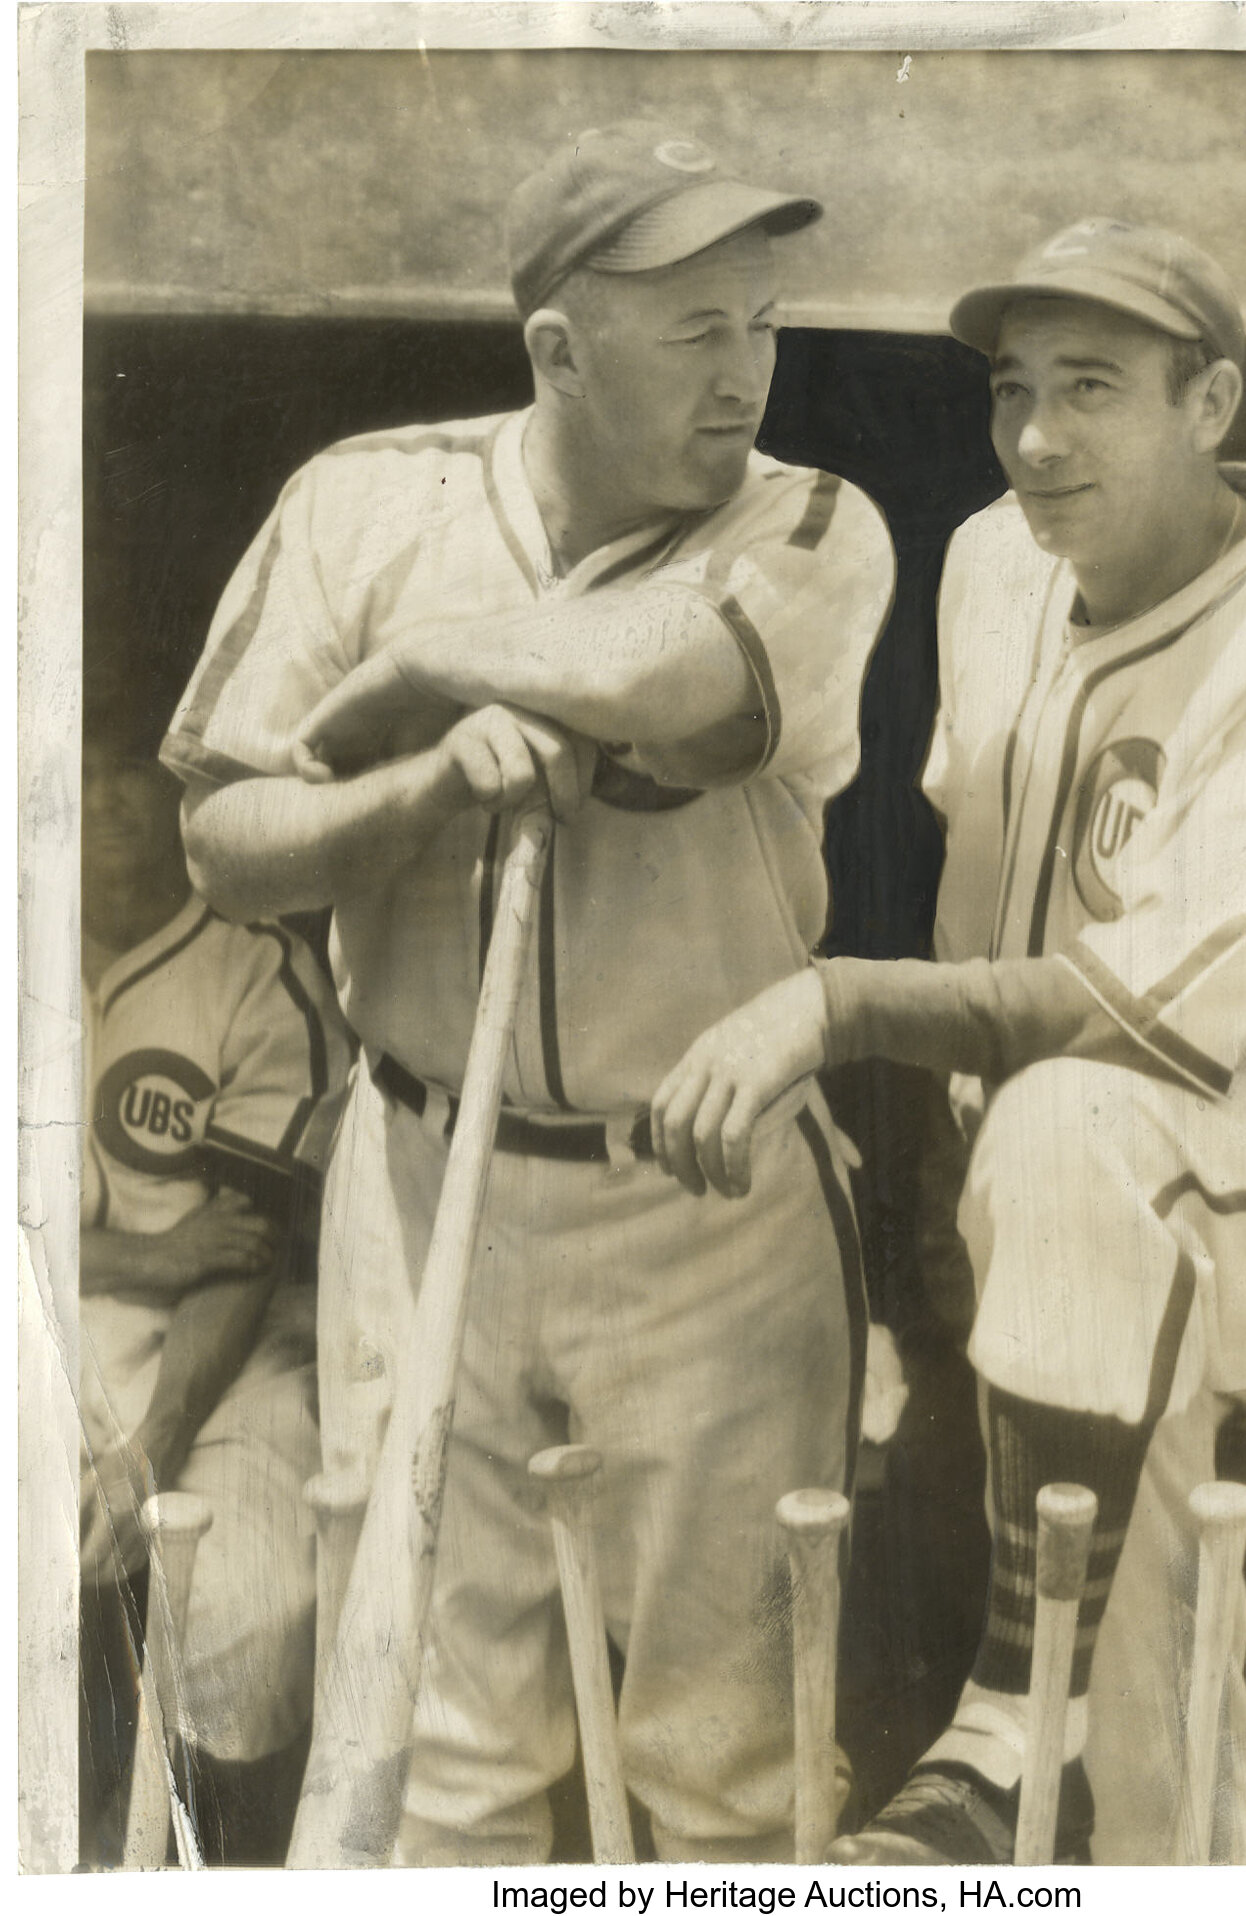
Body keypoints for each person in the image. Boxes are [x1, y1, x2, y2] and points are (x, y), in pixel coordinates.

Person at [649, 217, 1246, 1864]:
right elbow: (988, 915)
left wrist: (835, 997)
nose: (1031, 438)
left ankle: (1004, 1718)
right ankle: (1143, 1824)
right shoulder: (990, 566)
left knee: (1074, 1134)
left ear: (1210, 401)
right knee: (1139, 1596)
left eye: (1088, 388)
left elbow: (1166, 1015)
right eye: (1009, 389)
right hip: (1066, 1199)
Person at [161, 123, 896, 1865]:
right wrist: (415, 793)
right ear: (555, 350)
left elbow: (676, 680)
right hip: (423, 1194)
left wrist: (411, 670)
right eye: (695, 331)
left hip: (698, 1206)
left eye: (762, 324)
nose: (746, 376)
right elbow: (229, 840)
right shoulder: (367, 497)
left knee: (723, 1773)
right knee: (436, 1764)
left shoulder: (812, 518)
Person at [79, 732, 351, 1862]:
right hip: (72, 1321)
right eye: (78, 770)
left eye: (131, 773)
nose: (107, 808)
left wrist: (149, 1445)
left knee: (246, 1605)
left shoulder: (258, 969)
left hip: (231, 1351)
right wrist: (148, 1256)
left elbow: (241, 1251)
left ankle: (209, 1868)